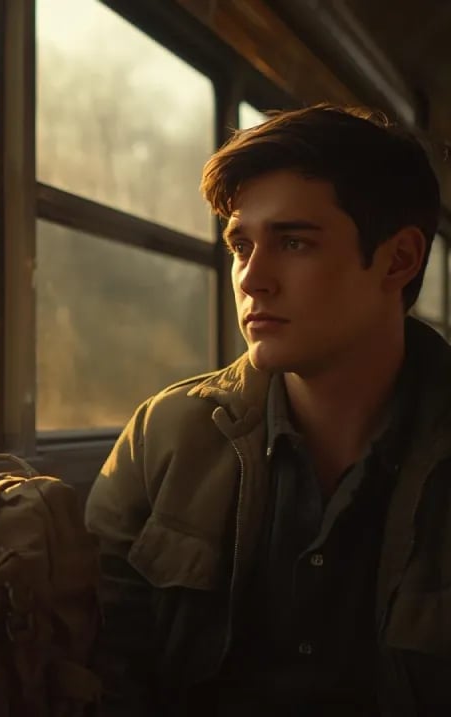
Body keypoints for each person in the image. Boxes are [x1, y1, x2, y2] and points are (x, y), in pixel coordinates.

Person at [85, 104, 451, 716]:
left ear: (398, 260)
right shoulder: (166, 436)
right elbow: (101, 668)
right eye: (240, 246)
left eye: (295, 242)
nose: (253, 279)